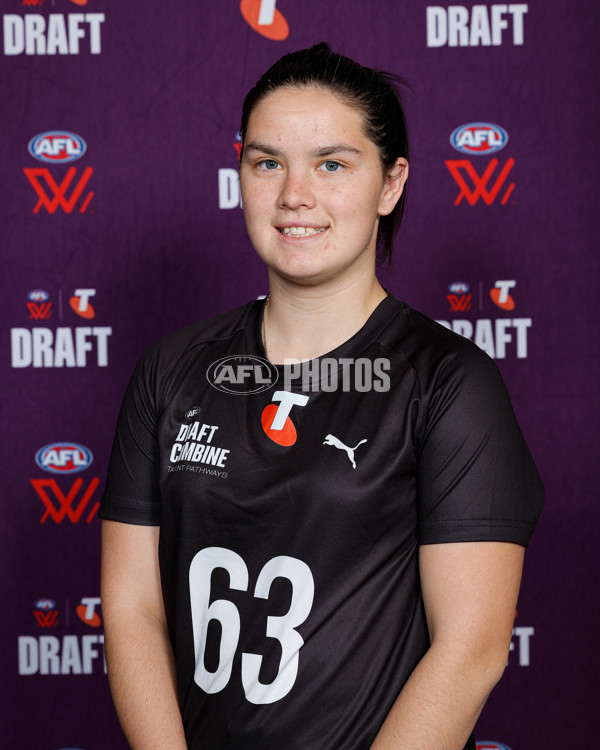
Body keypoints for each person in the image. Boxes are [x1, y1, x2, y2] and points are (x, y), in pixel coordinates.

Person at [100, 43, 544, 749]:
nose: (294, 195)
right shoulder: (171, 369)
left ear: (391, 185)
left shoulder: (448, 382)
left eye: (332, 165)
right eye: (267, 162)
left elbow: (472, 652)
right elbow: (131, 609)